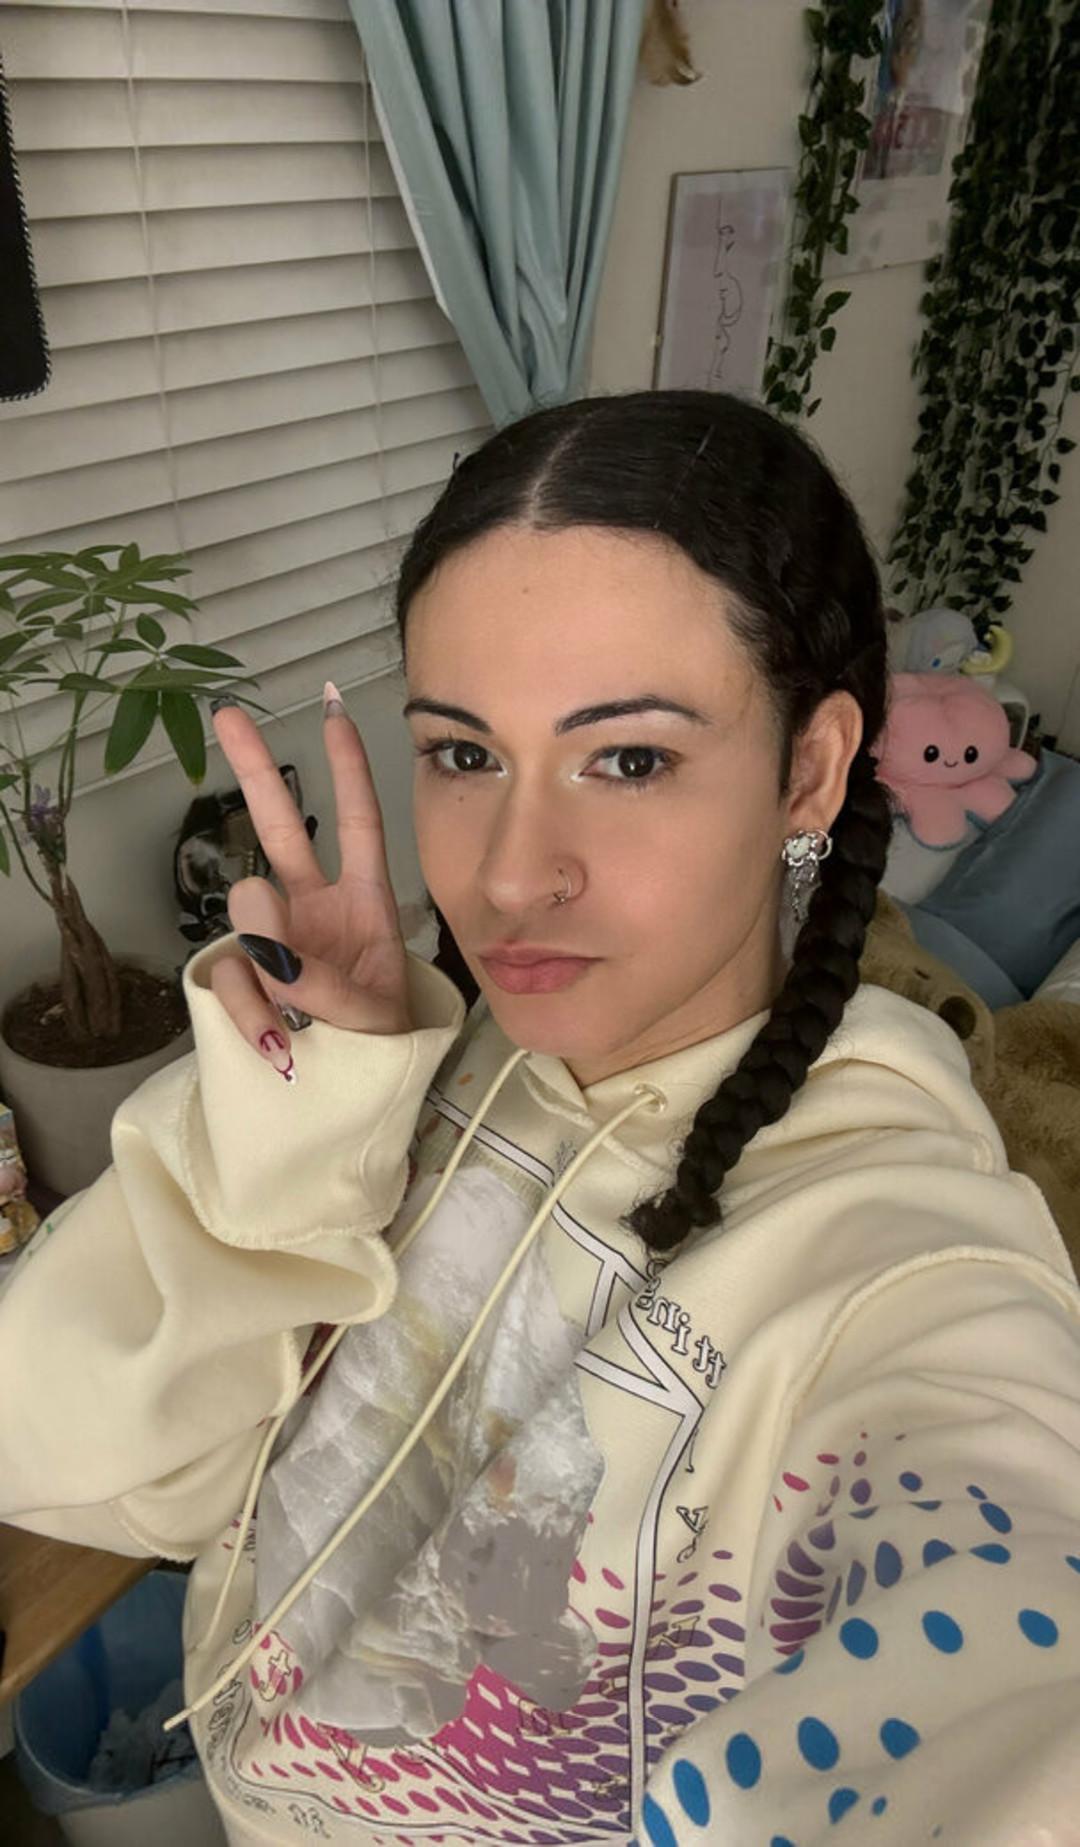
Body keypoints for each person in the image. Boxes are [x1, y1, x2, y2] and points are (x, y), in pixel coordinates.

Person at [2, 390, 1078, 1847]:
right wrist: (311, 1120)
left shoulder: (907, 1271)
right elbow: (68, 1448)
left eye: (627, 759)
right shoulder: (423, 1065)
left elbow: (1007, 1669)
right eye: (463, 754)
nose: (508, 878)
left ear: (811, 770)